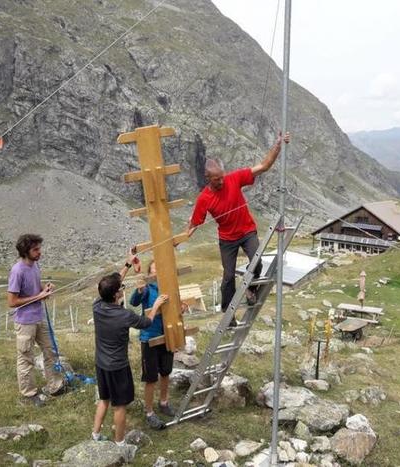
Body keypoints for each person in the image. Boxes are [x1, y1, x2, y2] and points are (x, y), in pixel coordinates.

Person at [188, 132, 290, 322]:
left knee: (257, 262)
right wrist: (181, 238)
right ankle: (228, 314)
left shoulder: (233, 178)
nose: (221, 181)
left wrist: (277, 145)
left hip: (247, 231)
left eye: (221, 177)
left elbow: (264, 166)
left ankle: (251, 289)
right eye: (216, 179)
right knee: (228, 277)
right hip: (227, 240)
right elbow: (195, 223)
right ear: (207, 177)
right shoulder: (204, 198)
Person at [92, 267, 168, 445]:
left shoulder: (97, 305)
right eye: (121, 288)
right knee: (119, 406)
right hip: (118, 366)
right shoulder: (124, 315)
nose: (122, 290)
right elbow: (147, 322)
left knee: (104, 399)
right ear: (116, 295)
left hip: (101, 363)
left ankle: (95, 435)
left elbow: (113, 282)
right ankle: (120, 443)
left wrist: (127, 264)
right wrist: (156, 305)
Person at [7, 234, 65, 407]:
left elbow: (36, 288)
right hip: (25, 322)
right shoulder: (17, 271)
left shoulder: (35, 265)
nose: (40, 252)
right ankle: (29, 394)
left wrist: (44, 289)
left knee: (51, 351)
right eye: (36, 249)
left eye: (39, 248)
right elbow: (12, 302)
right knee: (26, 357)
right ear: (26, 251)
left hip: (40, 317)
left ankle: (54, 386)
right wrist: (38, 296)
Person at [129, 260, 176, 430]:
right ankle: (149, 412)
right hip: (149, 337)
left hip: (167, 335)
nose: (158, 272)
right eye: (154, 269)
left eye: (160, 268)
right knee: (150, 377)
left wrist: (181, 308)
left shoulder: (169, 285)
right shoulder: (148, 288)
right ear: (150, 272)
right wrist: (140, 288)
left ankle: (164, 402)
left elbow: (176, 306)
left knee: (166, 371)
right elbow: (133, 302)